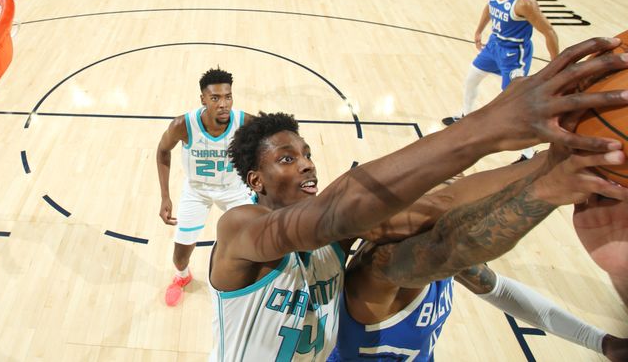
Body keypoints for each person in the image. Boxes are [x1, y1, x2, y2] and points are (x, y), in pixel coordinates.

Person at [207, 36, 628, 361]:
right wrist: (487, 127)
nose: (306, 165)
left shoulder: (334, 242)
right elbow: (333, 211)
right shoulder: (240, 229)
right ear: (256, 181)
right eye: (287, 158)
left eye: (307, 154)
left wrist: (554, 160)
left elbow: (438, 205)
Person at [327, 149, 628, 361]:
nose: (465, 196)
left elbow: (501, 291)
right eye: (451, 190)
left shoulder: (439, 258)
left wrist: (601, 341)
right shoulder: (379, 267)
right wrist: (547, 177)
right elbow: (453, 243)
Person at [442, 0, 559, 161]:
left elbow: (548, 31)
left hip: (514, 54)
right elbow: (489, 8)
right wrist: (479, 30)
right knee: (471, 78)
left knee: (515, 102)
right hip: (494, 45)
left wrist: (557, 61)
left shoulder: (525, 3)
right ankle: (465, 115)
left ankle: (528, 153)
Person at [156, 67, 254, 307]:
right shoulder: (183, 125)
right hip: (197, 192)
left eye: (228, 96)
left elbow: (268, 151)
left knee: (255, 242)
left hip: (234, 190)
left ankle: (252, 285)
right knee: (179, 256)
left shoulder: (245, 123)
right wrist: (165, 197)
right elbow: (162, 151)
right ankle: (182, 276)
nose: (223, 104)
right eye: (215, 98)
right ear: (203, 99)